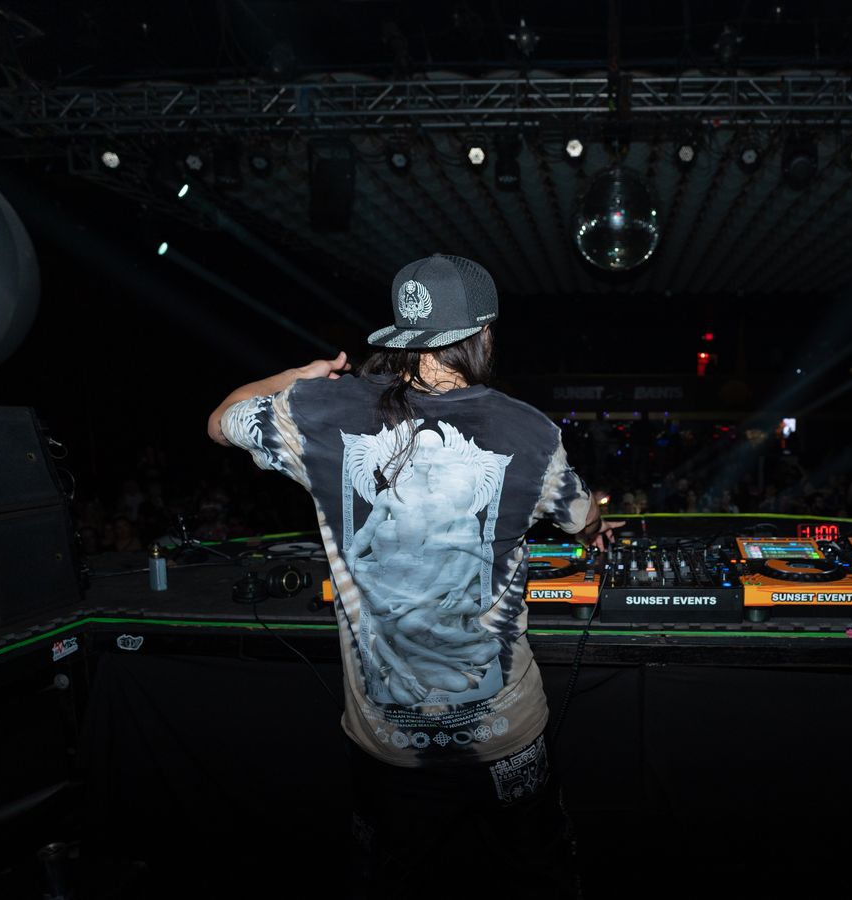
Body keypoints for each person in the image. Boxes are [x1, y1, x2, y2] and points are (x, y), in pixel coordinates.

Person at [207, 254, 614, 899]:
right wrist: (596, 529)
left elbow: (220, 422)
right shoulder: (530, 432)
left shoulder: (316, 411)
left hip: (388, 743)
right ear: (483, 336)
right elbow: (581, 516)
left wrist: (298, 375)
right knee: (541, 874)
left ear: (402, 334)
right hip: (504, 734)